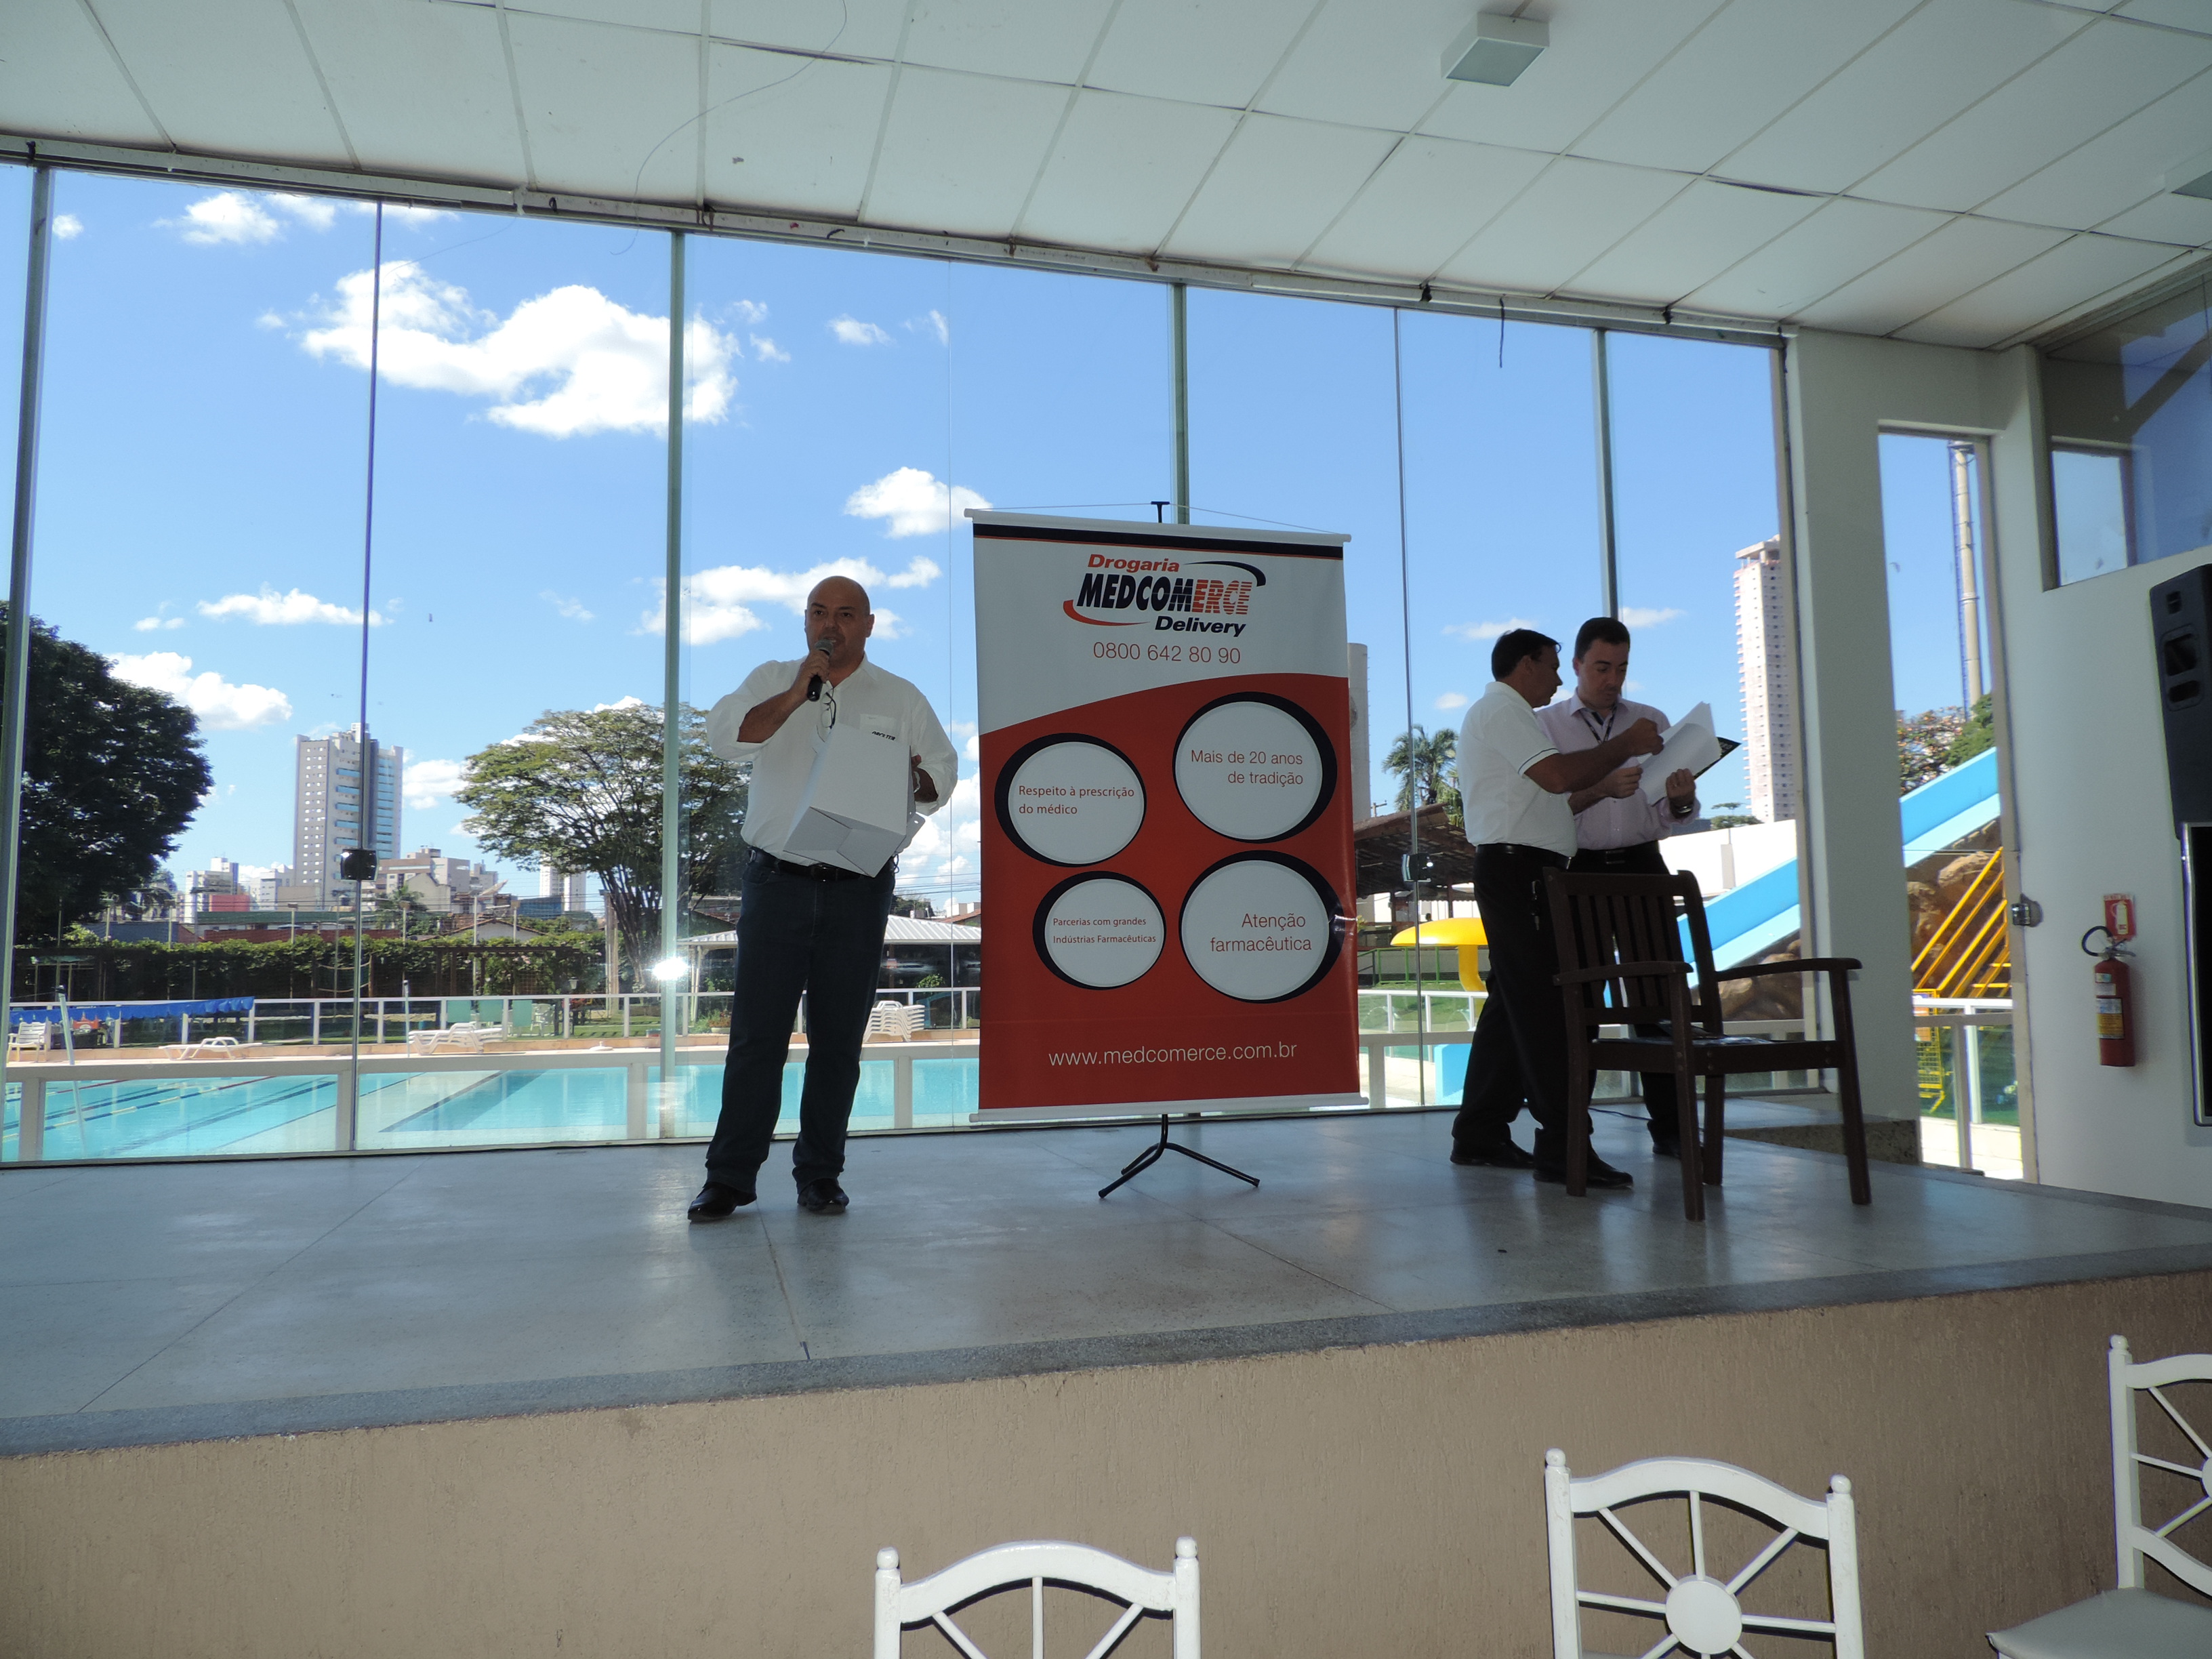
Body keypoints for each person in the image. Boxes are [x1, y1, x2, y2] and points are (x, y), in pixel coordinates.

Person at [687, 576, 957, 1220]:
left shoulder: (901, 696)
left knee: (838, 1042)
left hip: (858, 888)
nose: (829, 624)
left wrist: (904, 772)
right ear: (805, 622)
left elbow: (941, 778)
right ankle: (729, 1178)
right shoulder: (773, 678)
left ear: (869, 624)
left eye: (844, 614)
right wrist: (795, 694)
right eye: (818, 612)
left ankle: (820, 1175)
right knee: (757, 1038)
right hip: (776, 883)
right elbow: (725, 738)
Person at [1450, 627, 1662, 1188]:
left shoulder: (1506, 714)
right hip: (1519, 871)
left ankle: (1480, 1132)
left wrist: (1605, 785)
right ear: (1525, 665)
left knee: (1512, 1006)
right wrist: (1627, 742)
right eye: (1551, 665)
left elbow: (1553, 799)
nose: (1559, 677)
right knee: (1547, 1009)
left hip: (1520, 868)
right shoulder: (1504, 710)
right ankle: (1564, 1146)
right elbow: (1558, 776)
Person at [1536, 617, 1700, 1157]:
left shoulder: (1652, 723)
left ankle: (1674, 1130)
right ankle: (1570, 1139)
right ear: (1577, 665)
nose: (1613, 680)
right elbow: (1542, 813)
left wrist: (1682, 800)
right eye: (1602, 668)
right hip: (1575, 871)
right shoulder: (1545, 727)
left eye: (1622, 668)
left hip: (1642, 867)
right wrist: (1602, 787)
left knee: (1659, 1000)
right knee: (1578, 1004)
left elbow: (1672, 813)